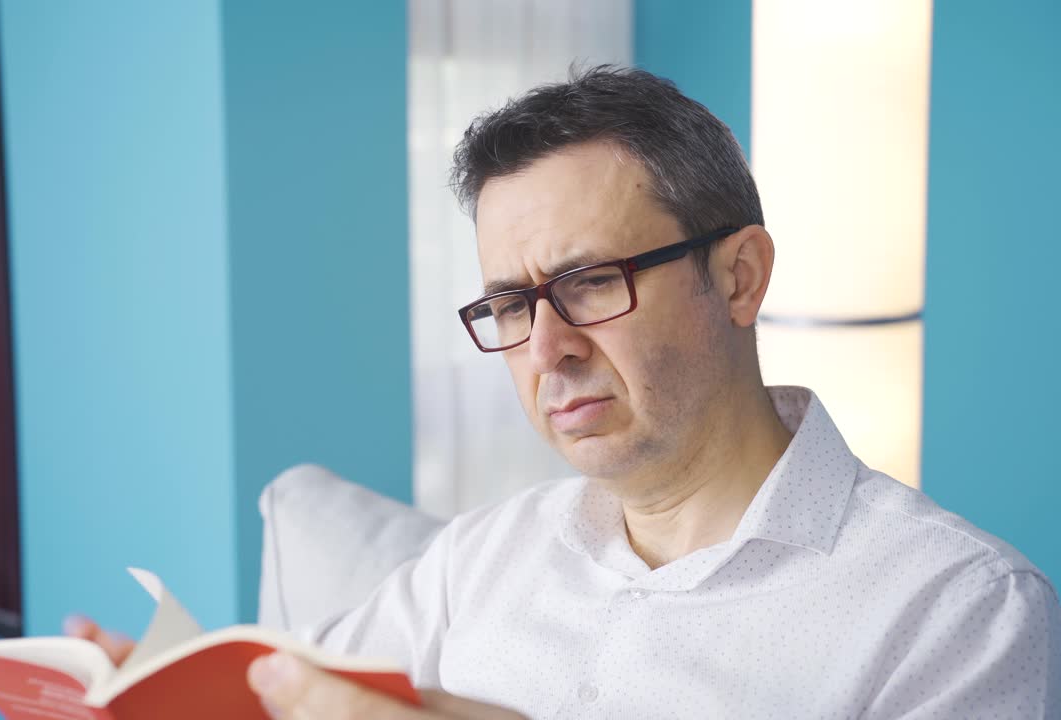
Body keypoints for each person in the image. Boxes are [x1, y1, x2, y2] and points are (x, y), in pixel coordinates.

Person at [66, 66, 1061, 718]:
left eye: (589, 283)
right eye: (508, 302)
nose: (545, 347)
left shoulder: (958, 612)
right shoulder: (474, 561)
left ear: (739, 277)